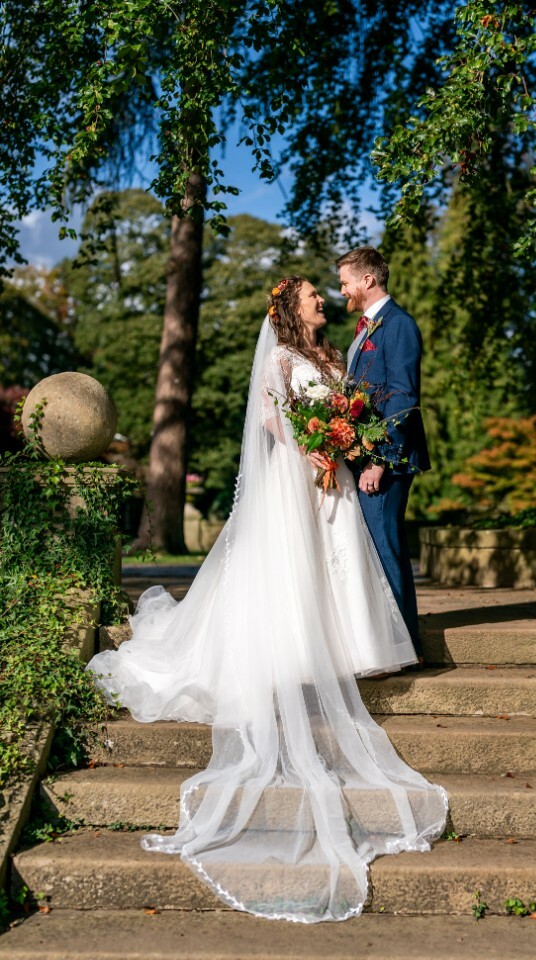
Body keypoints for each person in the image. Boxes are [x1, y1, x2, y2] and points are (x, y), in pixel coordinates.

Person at [87, 276, 447, 924]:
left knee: (338, 563)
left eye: (322, 293)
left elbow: (351, 409)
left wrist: (341, 445)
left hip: (333, 474)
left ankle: (349, 647)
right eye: (312, 296)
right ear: (290, 308)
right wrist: (312, 449)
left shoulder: (332, 355)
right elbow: (268, 417)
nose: (322, 300)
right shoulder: (279, 358)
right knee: (291, 564)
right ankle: (291, 647)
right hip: (294, 474)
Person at [336, 247, 429, 663]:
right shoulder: (367, 328)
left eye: (345, 283)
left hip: (386, 461)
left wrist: (379, 460)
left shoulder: (399, 325)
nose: (342, 291)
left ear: (367, 280)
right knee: (375, 549)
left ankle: (404, 649)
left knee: (385, 549)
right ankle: (391, 643)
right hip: (365, 457)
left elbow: (403, 397)